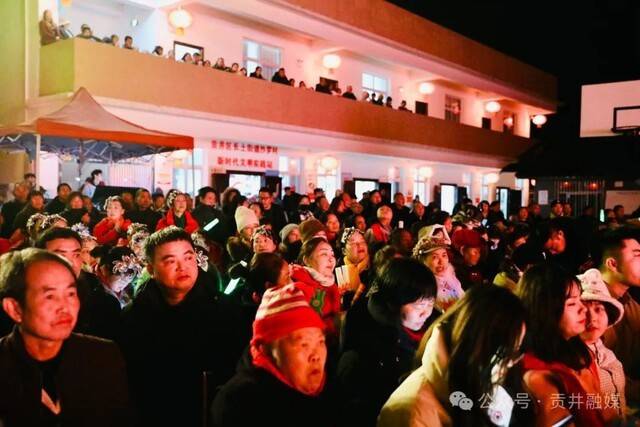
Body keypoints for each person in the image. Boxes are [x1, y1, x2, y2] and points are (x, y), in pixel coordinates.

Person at [118, 227, 249, 427]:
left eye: (188, 258)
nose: (183, 267)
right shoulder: (134, 316)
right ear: (151, 269)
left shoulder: (224, 310)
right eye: (171, 261)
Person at [0, 249, 133, 425]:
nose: (65, 307)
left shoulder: (103, 356)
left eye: (71, 294)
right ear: (14, 308)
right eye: (49, 296)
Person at [378, 285, 527, 427]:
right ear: (477, 345)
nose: (511, 362)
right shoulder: (412, 413)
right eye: (507, 352)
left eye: (517, 351)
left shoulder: (480, 379)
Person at [211, 284, 333, 427]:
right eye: (304, 344)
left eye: (320, 342)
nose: (316, 355)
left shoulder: (332, 391)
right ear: (267, 349)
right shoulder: (240, 403)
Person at [339, 258, 440, 426]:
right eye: (418, 306)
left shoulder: (437, 328)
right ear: (393, 303)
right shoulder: (363, 353)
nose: (426, 313)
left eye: (430, 304)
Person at [518, 263, 616, 426]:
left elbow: (605, 412)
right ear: (545, 310)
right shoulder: (537, 375)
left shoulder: (580, 352)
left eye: (580, 299)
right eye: (571, 303)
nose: (583, 308)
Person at [34, 227, 122, 340]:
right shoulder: (27, 300)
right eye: (61, 256)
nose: (71, 263)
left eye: (76, 255)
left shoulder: (104, 303)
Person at [577, 268, 628, 419]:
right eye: (583, 310)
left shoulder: (608, 353)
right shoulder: (571, 360)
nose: (592, 318)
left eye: (599, 309)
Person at [599, 228, 640, 405]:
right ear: (613, 264)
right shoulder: (589, 308)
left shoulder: (629, 302)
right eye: (637, 255)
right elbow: (599, 376)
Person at [291, 237, 341, 340]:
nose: (331, 259)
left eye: (332, 255)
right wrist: (337, 323)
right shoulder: (298, 288)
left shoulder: (331, 285)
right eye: (324, 254)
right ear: (307, 260)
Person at [413, 236, 464, 312]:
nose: (441, 261)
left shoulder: (451, 276)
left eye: (444, 255)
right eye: (435, 257)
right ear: (423, 261)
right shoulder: (423, 289)